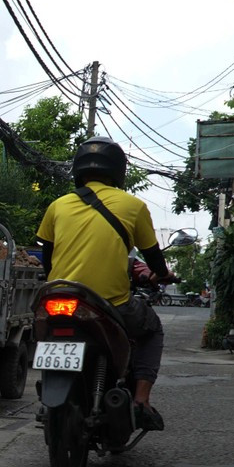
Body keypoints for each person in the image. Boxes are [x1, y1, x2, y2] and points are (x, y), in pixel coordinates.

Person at [34, 136, 173, 431]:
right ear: (118, 171)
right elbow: (154, 258)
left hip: (59, 295)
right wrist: (161, 274)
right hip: (112, 303)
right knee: (152, 330)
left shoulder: (57, 205)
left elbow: (47, 258)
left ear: (78, 170)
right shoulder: (133, 206)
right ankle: (141, 401)